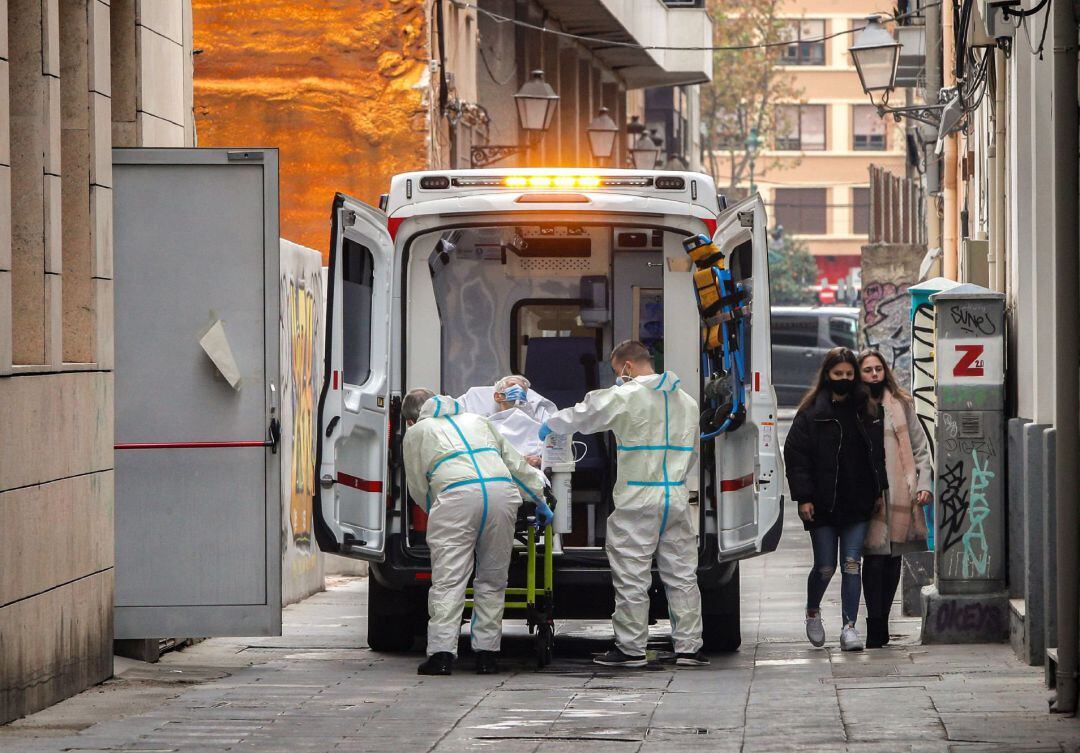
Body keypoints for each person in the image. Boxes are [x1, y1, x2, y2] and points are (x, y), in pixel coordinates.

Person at [538, 340, 708, 668]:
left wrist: (551, 425)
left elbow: (585, 415)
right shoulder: (686, 402)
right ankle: (689, 648)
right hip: (674, 497)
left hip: (637, 499)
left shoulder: (626, 395)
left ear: (627, 365)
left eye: (617, 371)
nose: (618, 377)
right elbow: (692, 455)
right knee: (683, 575)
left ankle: (631, 649)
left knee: (632, 574)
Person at [401, 389, 552, 676]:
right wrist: (540, 497)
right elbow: (515, 463)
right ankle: (487, 655)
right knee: (493, 578)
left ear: (410, 420)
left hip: (456, 497)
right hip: (501, 494)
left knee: (450, 580)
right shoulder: (478, 420)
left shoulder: (417, 432)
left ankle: (442, 655)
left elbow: (418, 484)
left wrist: (435, 509)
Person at [784, 347, 886, 652]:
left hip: (858, 502)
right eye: (837, 374)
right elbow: (796, 457)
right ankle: (813, 611)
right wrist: (803, 498)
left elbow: (876, 455)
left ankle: (849, 628)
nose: (844, 379)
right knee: (825, 567)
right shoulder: (811, 414)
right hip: (823, 504)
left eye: (848, 374)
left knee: (852, 563)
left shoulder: (865, 410)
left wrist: (879, 490)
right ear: (827, 375)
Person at [858, 349, 932, 648]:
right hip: (868, 494)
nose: (874, 375)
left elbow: (919, 446)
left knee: (892, 561)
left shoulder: (901, 403)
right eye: (868, 370)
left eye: (878, 369)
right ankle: (874, 624)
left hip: (900, 491)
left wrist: (923, 483)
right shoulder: (856, 406)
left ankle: (883, 620)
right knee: (873, 561)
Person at [487, 375, 547, 467]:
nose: (519, 389)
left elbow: (550, 456)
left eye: (522, 388)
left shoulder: (534, 426)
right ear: (498, 396)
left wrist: (540, 461)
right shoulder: (486, 426)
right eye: (513, 385)